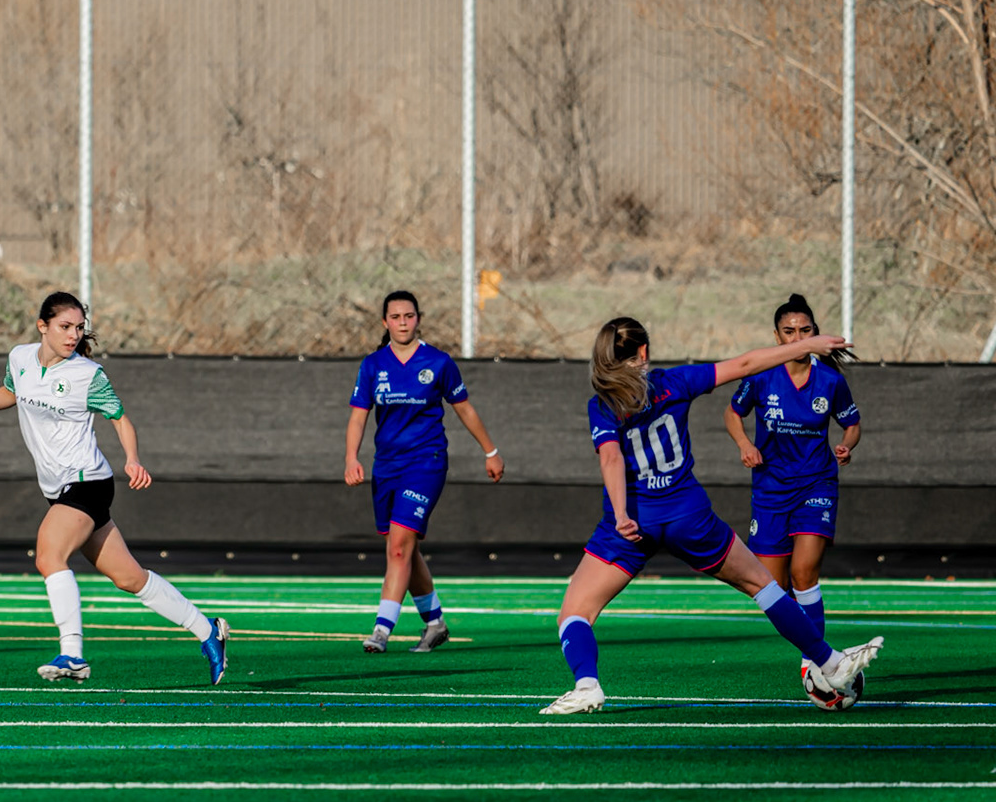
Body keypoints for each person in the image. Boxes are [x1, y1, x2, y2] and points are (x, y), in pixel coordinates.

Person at [542, 316, 882, 715]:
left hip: (634, 523)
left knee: (575, 613)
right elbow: (744, 365)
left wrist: (620, 514)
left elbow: (612, 456)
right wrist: (805, 346)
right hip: (689, 516)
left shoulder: (602, 404)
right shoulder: (675, 382)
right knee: (764, 585)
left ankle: (587, 685)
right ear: (645, 353)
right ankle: (831, 662)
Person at [0, 291, 229, 685]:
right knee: (129, 578)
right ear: (42, 326)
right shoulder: (20, 358)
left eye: (79, 328)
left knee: (48, 555)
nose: (73, 335)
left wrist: (132, 459)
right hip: (58, 488)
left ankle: (73, 654)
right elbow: (13, 392)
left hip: (87, 482)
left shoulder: (87, 375)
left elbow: (120, 419)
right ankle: (208, 630)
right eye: (65, 327)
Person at [344, 291, 504, 654]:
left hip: (426, 462)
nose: (403, 322)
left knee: (399, 546)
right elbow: (358, 416)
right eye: (395, 317)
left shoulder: (439, 362)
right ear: (385, 322)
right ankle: (435, 623)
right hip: (387, 466)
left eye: (409, 316)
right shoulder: (373, 365)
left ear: (419, 319)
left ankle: (381, 630)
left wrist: (490, 452)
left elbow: (464, 409)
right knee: (402, 547)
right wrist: (352, 457)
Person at [724, 294, 861, 696]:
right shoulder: (762, 375)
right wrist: (744, 445)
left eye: (804, 330)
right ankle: (815, 652)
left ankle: (816, 663)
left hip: (816, 484)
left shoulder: (831, 380)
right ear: (776, 336)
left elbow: (852, 424)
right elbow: (733, 412)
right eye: (789, 331)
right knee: (772, 585)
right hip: (770, 489)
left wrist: (847, 445)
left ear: (815, 334)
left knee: (805, 573)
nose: (797, 336)